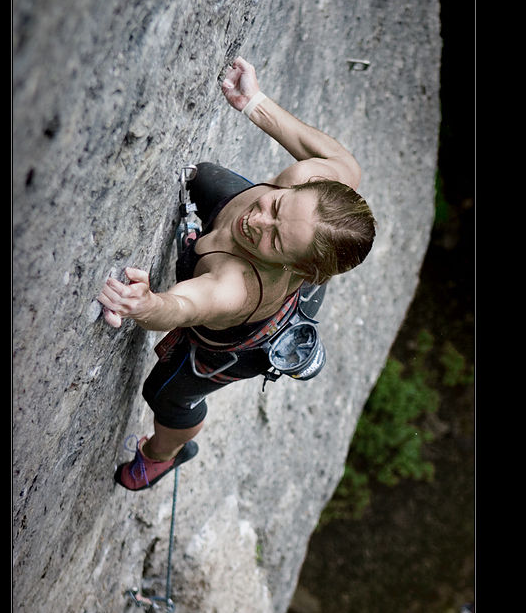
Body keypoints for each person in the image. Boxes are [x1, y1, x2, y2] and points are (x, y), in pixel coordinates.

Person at [97, 57, 376, 492]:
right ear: (301, 187)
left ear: (299, 267)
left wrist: (145, 303)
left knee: (165, 395)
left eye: (277, 241)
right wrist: (254, 103)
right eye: (278, 206)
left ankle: (165, 454)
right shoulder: (309, 180)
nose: (259, 222)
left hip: (240, 340)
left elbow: (183, 306)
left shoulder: (236, 288)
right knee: (204, 178)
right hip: (269, 261)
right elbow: (344, 161)